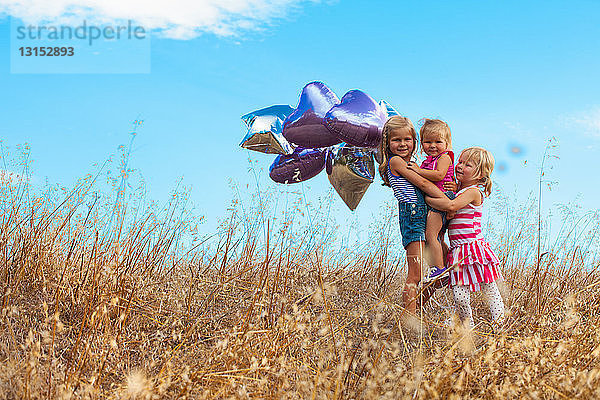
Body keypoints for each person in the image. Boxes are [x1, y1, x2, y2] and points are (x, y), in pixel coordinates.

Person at [426, 147, 505, 328]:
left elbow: (452, 206)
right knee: (459, 296)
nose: (460, 166)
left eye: (467, 164)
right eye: (460, 162)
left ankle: (499, 325)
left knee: (489, 289)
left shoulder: (474, 192)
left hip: (473, 248)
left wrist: (427, 199)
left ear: (480, 174)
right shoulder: (460, 190)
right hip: (458, 251)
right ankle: (467, 327)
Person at [378, 116, 448, 314]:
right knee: (415, 274)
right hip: (412, 217)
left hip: (424, 216)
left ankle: (414, 309)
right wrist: (448, 202)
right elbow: (424, 185)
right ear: (387, 143)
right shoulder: (396, 162)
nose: (402, 144)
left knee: (442, 272)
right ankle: (409, 318)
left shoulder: (415, 164)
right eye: (396, 140)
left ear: (414, 142)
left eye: (407, 139)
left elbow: (430, 182)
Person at [406, 119, 455, 281]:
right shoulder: (427, 162)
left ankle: (439, 268)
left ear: (447, 143)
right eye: (427, 142)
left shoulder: (445, 157)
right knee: (439, 237)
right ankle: (448, 264)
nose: (432, 145)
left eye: (438, 141)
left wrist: (418, 171)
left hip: (442, 198)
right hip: (436, 199)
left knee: (431, 235)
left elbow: (440, 175)